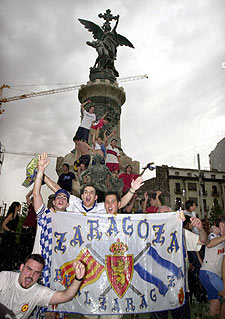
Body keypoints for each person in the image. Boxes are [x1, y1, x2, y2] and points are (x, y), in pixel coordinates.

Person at [150, 206, 208, 319]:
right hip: (157, 289)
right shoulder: (149, 234)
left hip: (180, 289)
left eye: (166, 213)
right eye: (159, 213)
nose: (163, 216)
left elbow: (203, 241)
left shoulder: (181, 232)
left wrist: (201, 229)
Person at [0, 254, 85, 319]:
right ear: (21, 267)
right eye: (29, 269)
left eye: (36, 272)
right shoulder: (5, 277)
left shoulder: (38, 292)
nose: (31, 275)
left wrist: (78, 278)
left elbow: (66, 296)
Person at [199, 216, 225, 317]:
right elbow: (209, 244)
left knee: (215, 311)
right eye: (223, 226)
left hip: (214, 275)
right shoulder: (212, 235)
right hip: (209, 273)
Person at [1, 202, 21, 270]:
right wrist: (9, 230)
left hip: (12, 235)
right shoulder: (11, 215)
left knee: (11, 251)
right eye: (19, 206)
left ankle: (8, 265)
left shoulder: (17, 215)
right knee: (5, 251)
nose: (20, 208)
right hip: (8, 235)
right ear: (16, 207)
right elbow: (3, 224)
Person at [20, 190, 37, 262]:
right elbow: (27, 196)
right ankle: (20, 262)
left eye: (34, 201)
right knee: (22, 246)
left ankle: (26, 261)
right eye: (32, 200)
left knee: (29, 247)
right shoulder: (30, 206)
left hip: (31, 230)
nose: (32, 202)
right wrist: (33, 190)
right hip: (25, 228)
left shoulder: (37, 209)